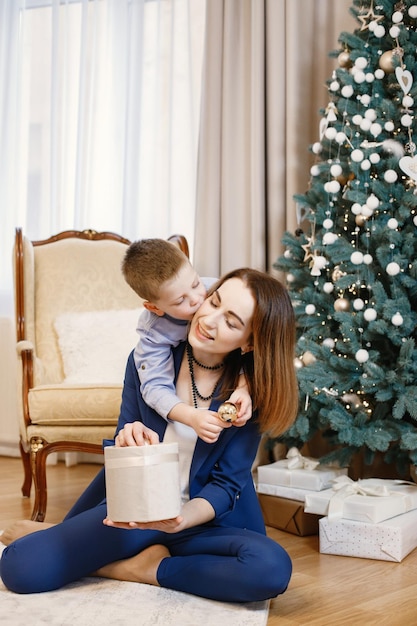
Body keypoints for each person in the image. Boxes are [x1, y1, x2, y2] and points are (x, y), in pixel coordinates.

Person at [0, 268, 299, 603]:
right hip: (137, 513)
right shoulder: (147, 362)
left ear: (251, 342)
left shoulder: (251, 394)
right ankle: (104, 551)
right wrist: (129, 437)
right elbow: (121, 438)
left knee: (270, 569)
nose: (209, 320)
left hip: (205, 523)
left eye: (231, 322)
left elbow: (227, 485)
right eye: (213, 302)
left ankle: (139, 569)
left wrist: (181, 519)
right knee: (20, 567)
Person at [122, 238, 252, 444]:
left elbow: (255, 342)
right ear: (155, 308)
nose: (197, 299)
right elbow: (155, 387)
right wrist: (192, 417)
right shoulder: (153, 332)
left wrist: (244, 388)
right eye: (180, 300)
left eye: (195, 283)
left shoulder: (214, 290)